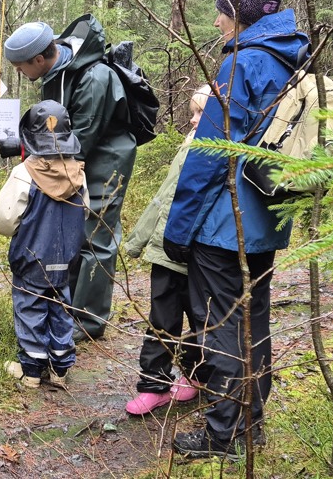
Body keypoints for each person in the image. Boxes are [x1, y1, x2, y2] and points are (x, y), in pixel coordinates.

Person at [162, 0, 309, 459]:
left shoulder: (240, 64)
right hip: (268, 216)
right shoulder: (292, 58)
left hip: (227, 223)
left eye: (223, 13)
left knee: (221, 322)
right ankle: (250, 424)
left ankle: (222, 435)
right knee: (255, 320)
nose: (219, 22)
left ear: (238, 15)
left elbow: (209, 154)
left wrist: (179, 227)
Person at [3, 17, 136, 342]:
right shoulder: (57, 71)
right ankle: (65, 309)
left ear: (38, 59)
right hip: (74, 160)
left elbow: (82, 137)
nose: (21, 74)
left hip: (105, 163)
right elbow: (56, 129)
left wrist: (25, 149)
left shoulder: (94, 78)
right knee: (69, 235)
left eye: (21, 68)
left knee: (96, 237)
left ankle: (87, 323)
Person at [122, 84, 210, 415]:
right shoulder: (188, 147)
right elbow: (163, 199)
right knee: (162, 319)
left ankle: (197, 376)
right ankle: (153, 385)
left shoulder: (222, 153)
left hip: (203, 255)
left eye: (201, 113)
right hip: (166, 250)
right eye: (192, 113)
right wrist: (138, 240)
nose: (192, 121)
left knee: (204, 321)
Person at [0, 101, 87, 389]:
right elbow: (85, 211)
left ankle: (31, 371)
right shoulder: (79, 174)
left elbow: (7, 220)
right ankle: (60, 368)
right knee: (61, 308)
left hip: (31, 257)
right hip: (66, 258)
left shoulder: (24, 173)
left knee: (30, 307)